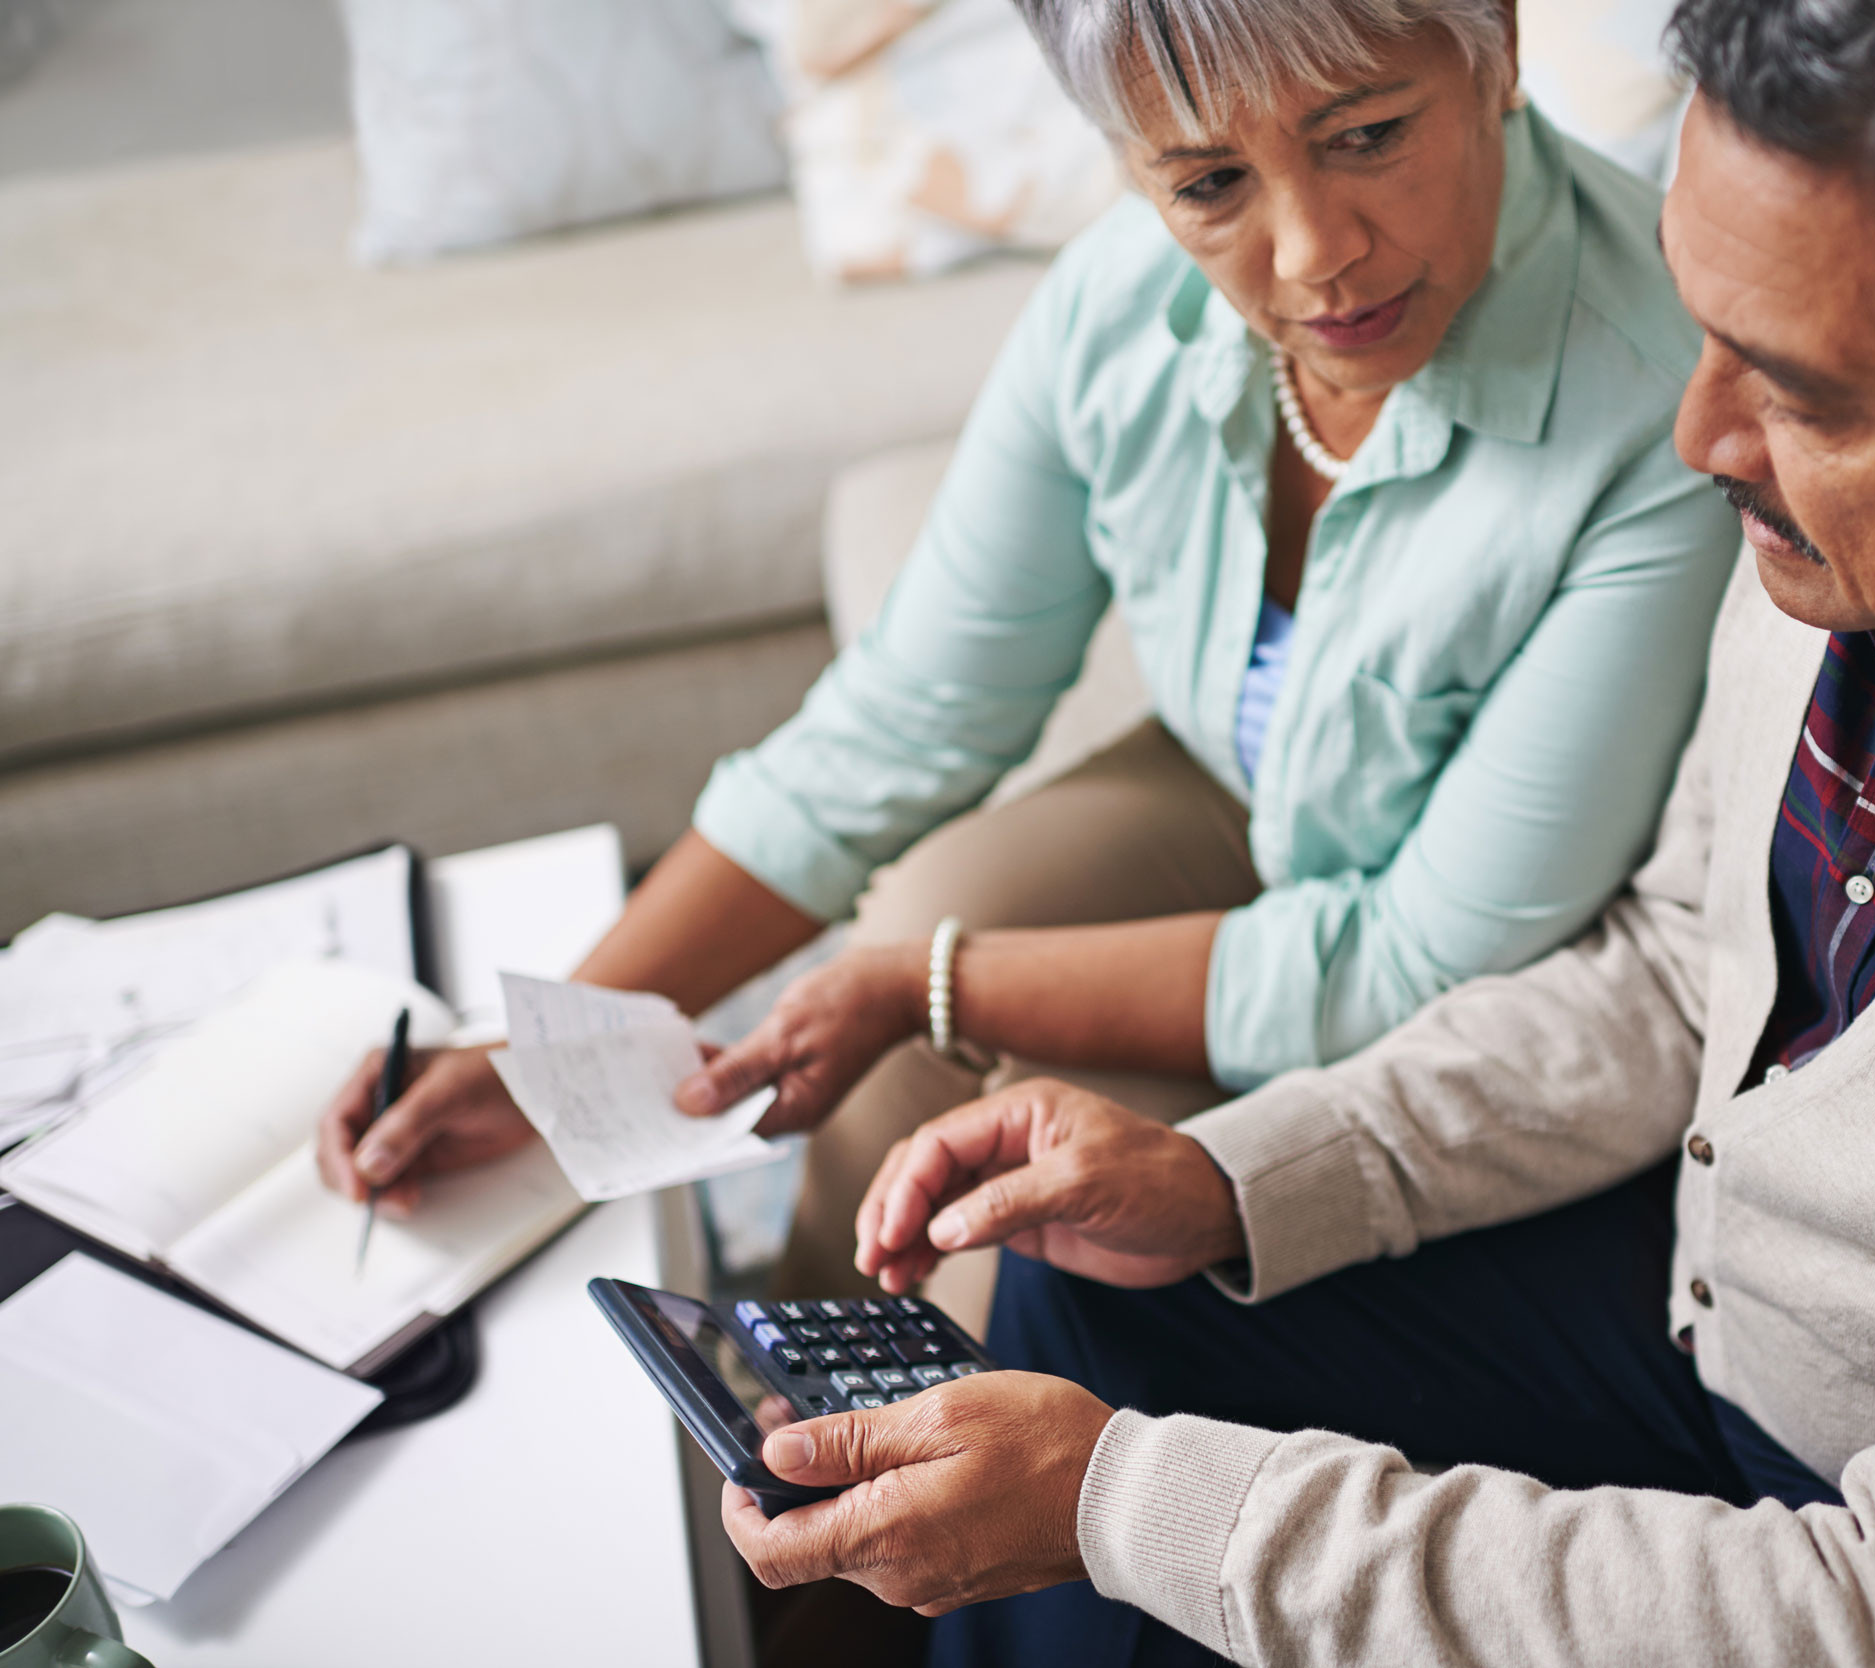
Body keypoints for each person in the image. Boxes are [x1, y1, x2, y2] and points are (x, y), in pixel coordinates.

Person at [704, 2, 1875, 1665]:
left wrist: (1142, 1509)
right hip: (1730, 1319)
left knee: (1123, 1480)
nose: (1698, 433)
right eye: (1702, 328)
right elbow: (1671, 970)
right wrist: (1243, 1179)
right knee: (1095, 1299)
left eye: (1794, 389)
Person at [311, 0, 1740, 1305]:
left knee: (1027, 1191)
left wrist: (932, 986)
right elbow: (906, 716)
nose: (1313, 254)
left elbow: (1415, 958)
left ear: (1496, 46)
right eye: (1209, 183)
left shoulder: (1668, 402)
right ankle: (800, 1382)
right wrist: (551, 1056)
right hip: (1246, 795)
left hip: (1493, 955)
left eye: (1366, 135)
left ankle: (940, 1454)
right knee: (930, 910)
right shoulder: (1118, 304)